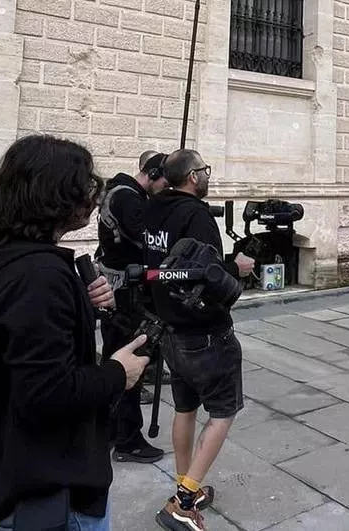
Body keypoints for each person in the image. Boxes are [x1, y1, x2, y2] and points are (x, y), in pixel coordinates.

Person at [0, 134, 151, 531]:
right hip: (43, 496)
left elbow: (18, 348)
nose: (92, 197)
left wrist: (81, 308)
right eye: (83, 185)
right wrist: (118, 373)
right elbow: (48, 392)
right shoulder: (39, 275)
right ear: (55, 195)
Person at [141, 149, 254, 531]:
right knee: (223, 411)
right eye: (204, 170)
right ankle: (183, 502)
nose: (207, 175)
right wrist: (236, 267)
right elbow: (207, 274)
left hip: (170, 330)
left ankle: (184, 483)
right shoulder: (197, 216)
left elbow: (163, 268)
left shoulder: (153, 209)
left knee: (185, 408)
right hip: (204, 333)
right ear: (192, 177)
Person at [95, 149, 170, 464]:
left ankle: (108, 432)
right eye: (165, 183)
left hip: (119, 290)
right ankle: (127, 441)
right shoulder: (128, 199)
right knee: (129, 366)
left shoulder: (122, 191)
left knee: (116, 363)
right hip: (125, 295)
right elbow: (149, 242)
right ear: (152, 174)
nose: (165, 190)